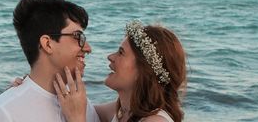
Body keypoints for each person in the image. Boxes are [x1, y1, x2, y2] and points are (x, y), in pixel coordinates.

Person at [0, 0, 100, 122]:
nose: (88, 48)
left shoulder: (82, 106)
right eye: (78, 36)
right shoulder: (3, 114)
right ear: (47, 44)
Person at [54, 21, 186, 122]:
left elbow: (79, 113)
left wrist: (76, 119)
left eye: (121, 53)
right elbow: (84, 109)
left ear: (143, 70)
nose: (110, 57)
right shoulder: (122, 111)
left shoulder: (156, 121)